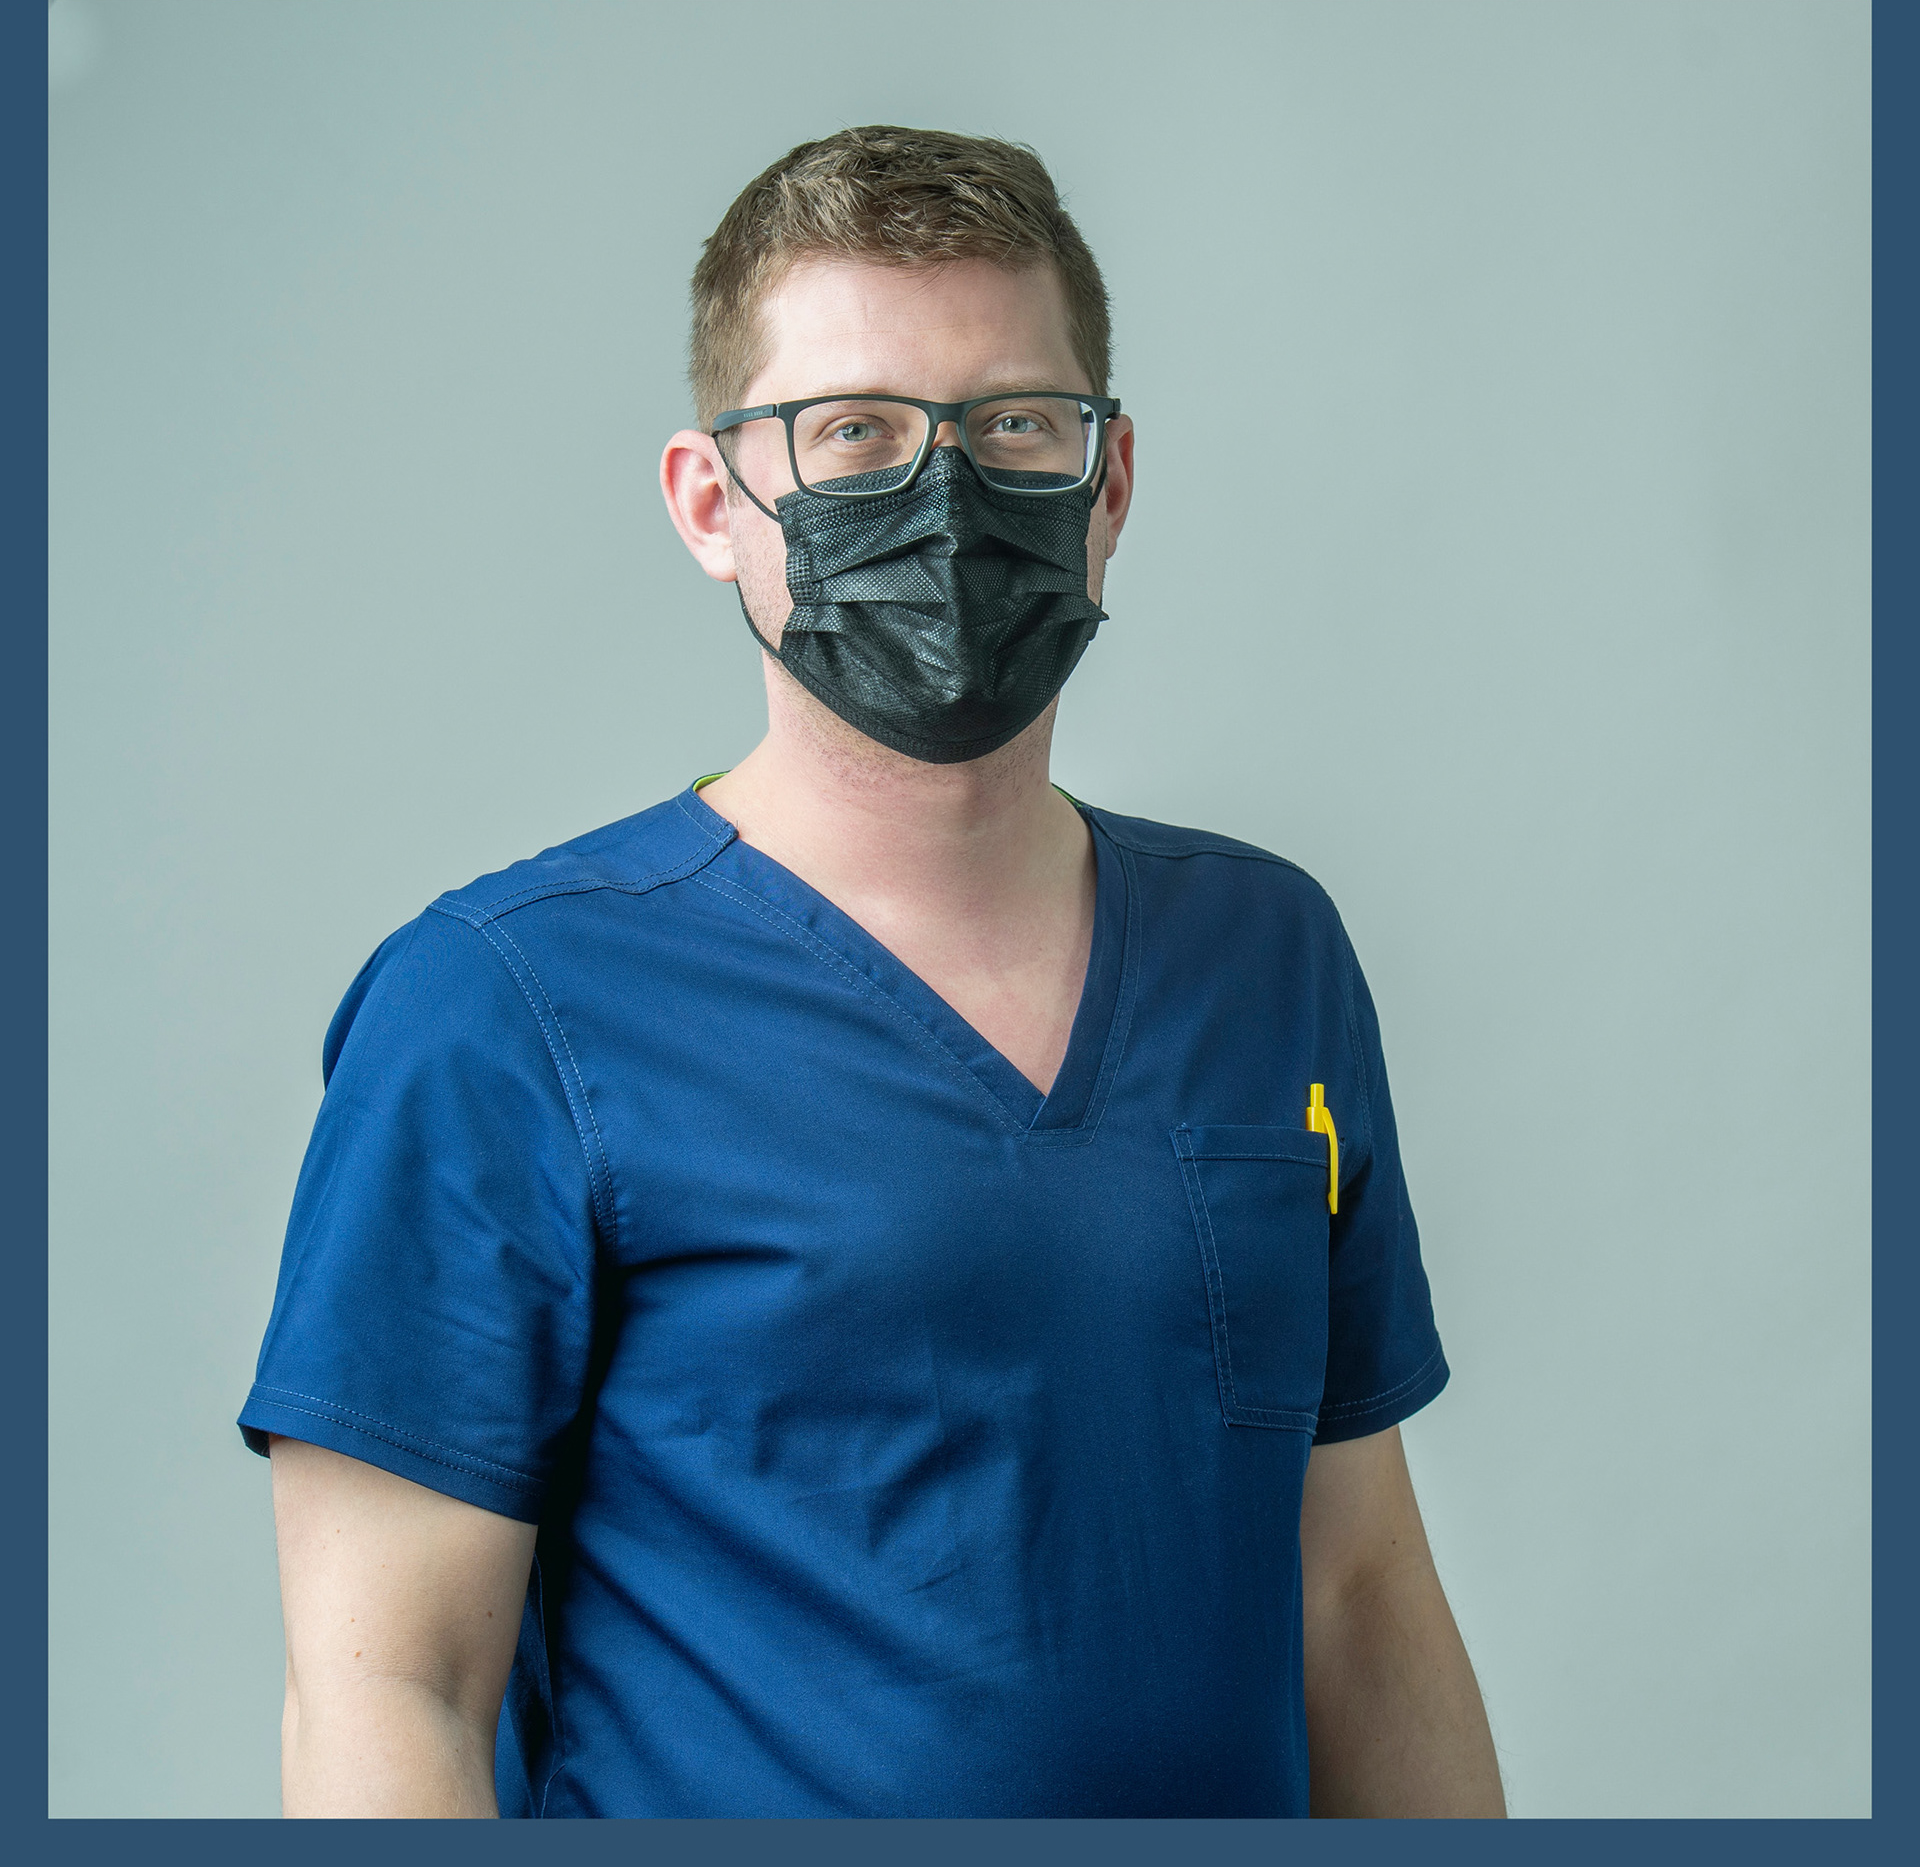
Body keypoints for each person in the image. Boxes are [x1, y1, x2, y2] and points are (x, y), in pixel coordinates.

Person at [241, 125, 1505, 1820]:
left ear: (1109, 482)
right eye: (855, 433)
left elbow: (1357, 1600)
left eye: (1017, 424)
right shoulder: (502, 1010)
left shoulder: (1267, 955)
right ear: (713, 503)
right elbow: (388, 1688)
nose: (948, 496)